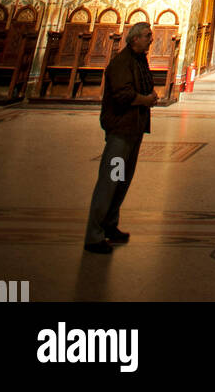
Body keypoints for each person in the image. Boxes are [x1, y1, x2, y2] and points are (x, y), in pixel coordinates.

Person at [84, 22, 158, 254]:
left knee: (122, 180)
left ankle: (109, 225)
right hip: (121, 132)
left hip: (134, 129)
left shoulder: (138, 60)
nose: (150, 40)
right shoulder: (121, 63)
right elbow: (122, 95)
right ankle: (94, 235)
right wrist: (146, 100)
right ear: (134, 39)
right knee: (110, 181)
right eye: (147, 36)